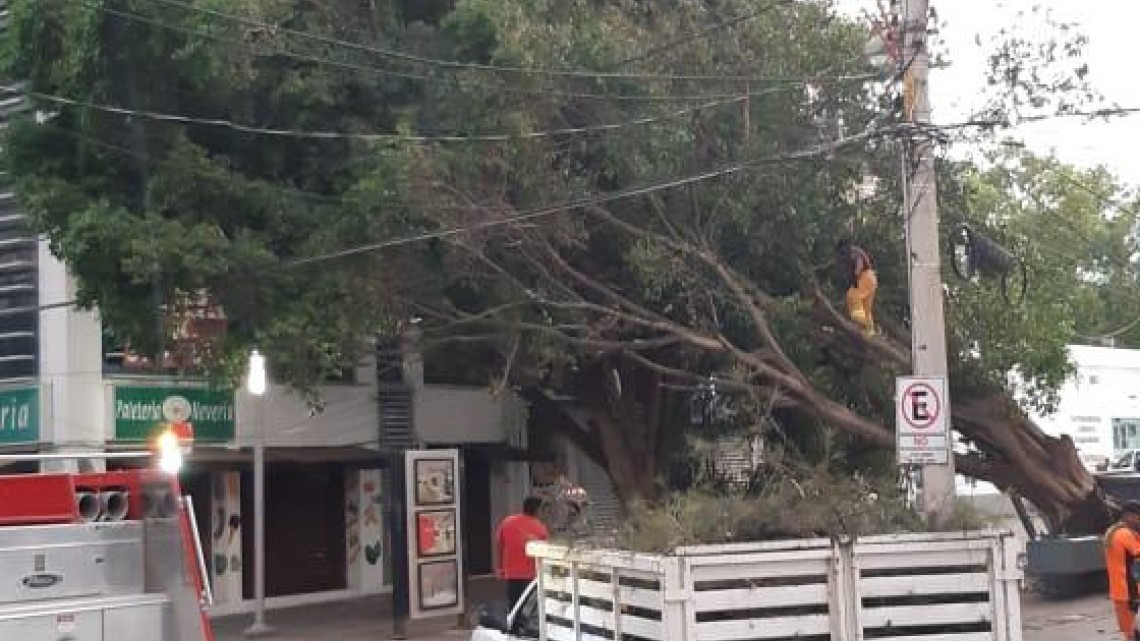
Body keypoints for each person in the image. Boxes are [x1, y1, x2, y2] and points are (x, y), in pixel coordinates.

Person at [495, 495, 549, 609]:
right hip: (530, 574)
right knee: (528, 607)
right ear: (538, 510)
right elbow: (545, 554)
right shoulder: (540, 528)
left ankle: (513, 625)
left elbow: (499, 545)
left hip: (511, 573)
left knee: (513, 605)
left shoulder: (507, 521)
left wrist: (500, 568)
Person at [1105, 500, 1140, 640]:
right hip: (1128, 593)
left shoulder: (1118, 531)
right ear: (1128, 516)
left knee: (1132, 633)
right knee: (1132, 634)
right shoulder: (1123, 534)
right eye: (1139, 517)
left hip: (1123, 592)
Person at [836, 239, 877, 337]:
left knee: (852, 296)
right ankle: (870, 332)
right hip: (870, 278)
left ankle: (866, 325)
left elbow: (859, 264)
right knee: (865, 307)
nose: (841, 253)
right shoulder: (851, 253)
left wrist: (855, 274)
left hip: (865, 277)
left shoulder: (853, 252)